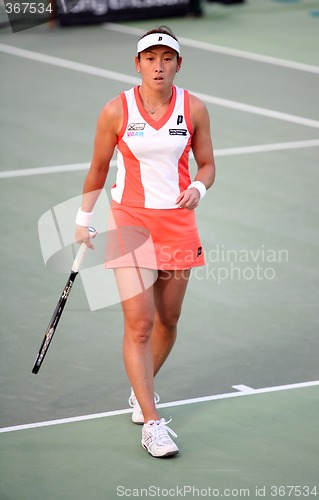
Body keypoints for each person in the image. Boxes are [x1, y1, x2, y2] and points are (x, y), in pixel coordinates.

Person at [75, 26, 216, 458]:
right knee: (140, 323)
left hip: (178, 224)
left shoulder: (193, 109)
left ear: (178, 63)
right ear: (137, 64)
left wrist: (199, 188)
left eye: (167, 58)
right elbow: (99, 168)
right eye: (150, 58)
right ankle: (152, 423)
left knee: (168, 322)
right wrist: (83, 219)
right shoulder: (116, 111)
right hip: (130, 222)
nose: (159, 65)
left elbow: (208, 164)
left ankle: (141, 392)